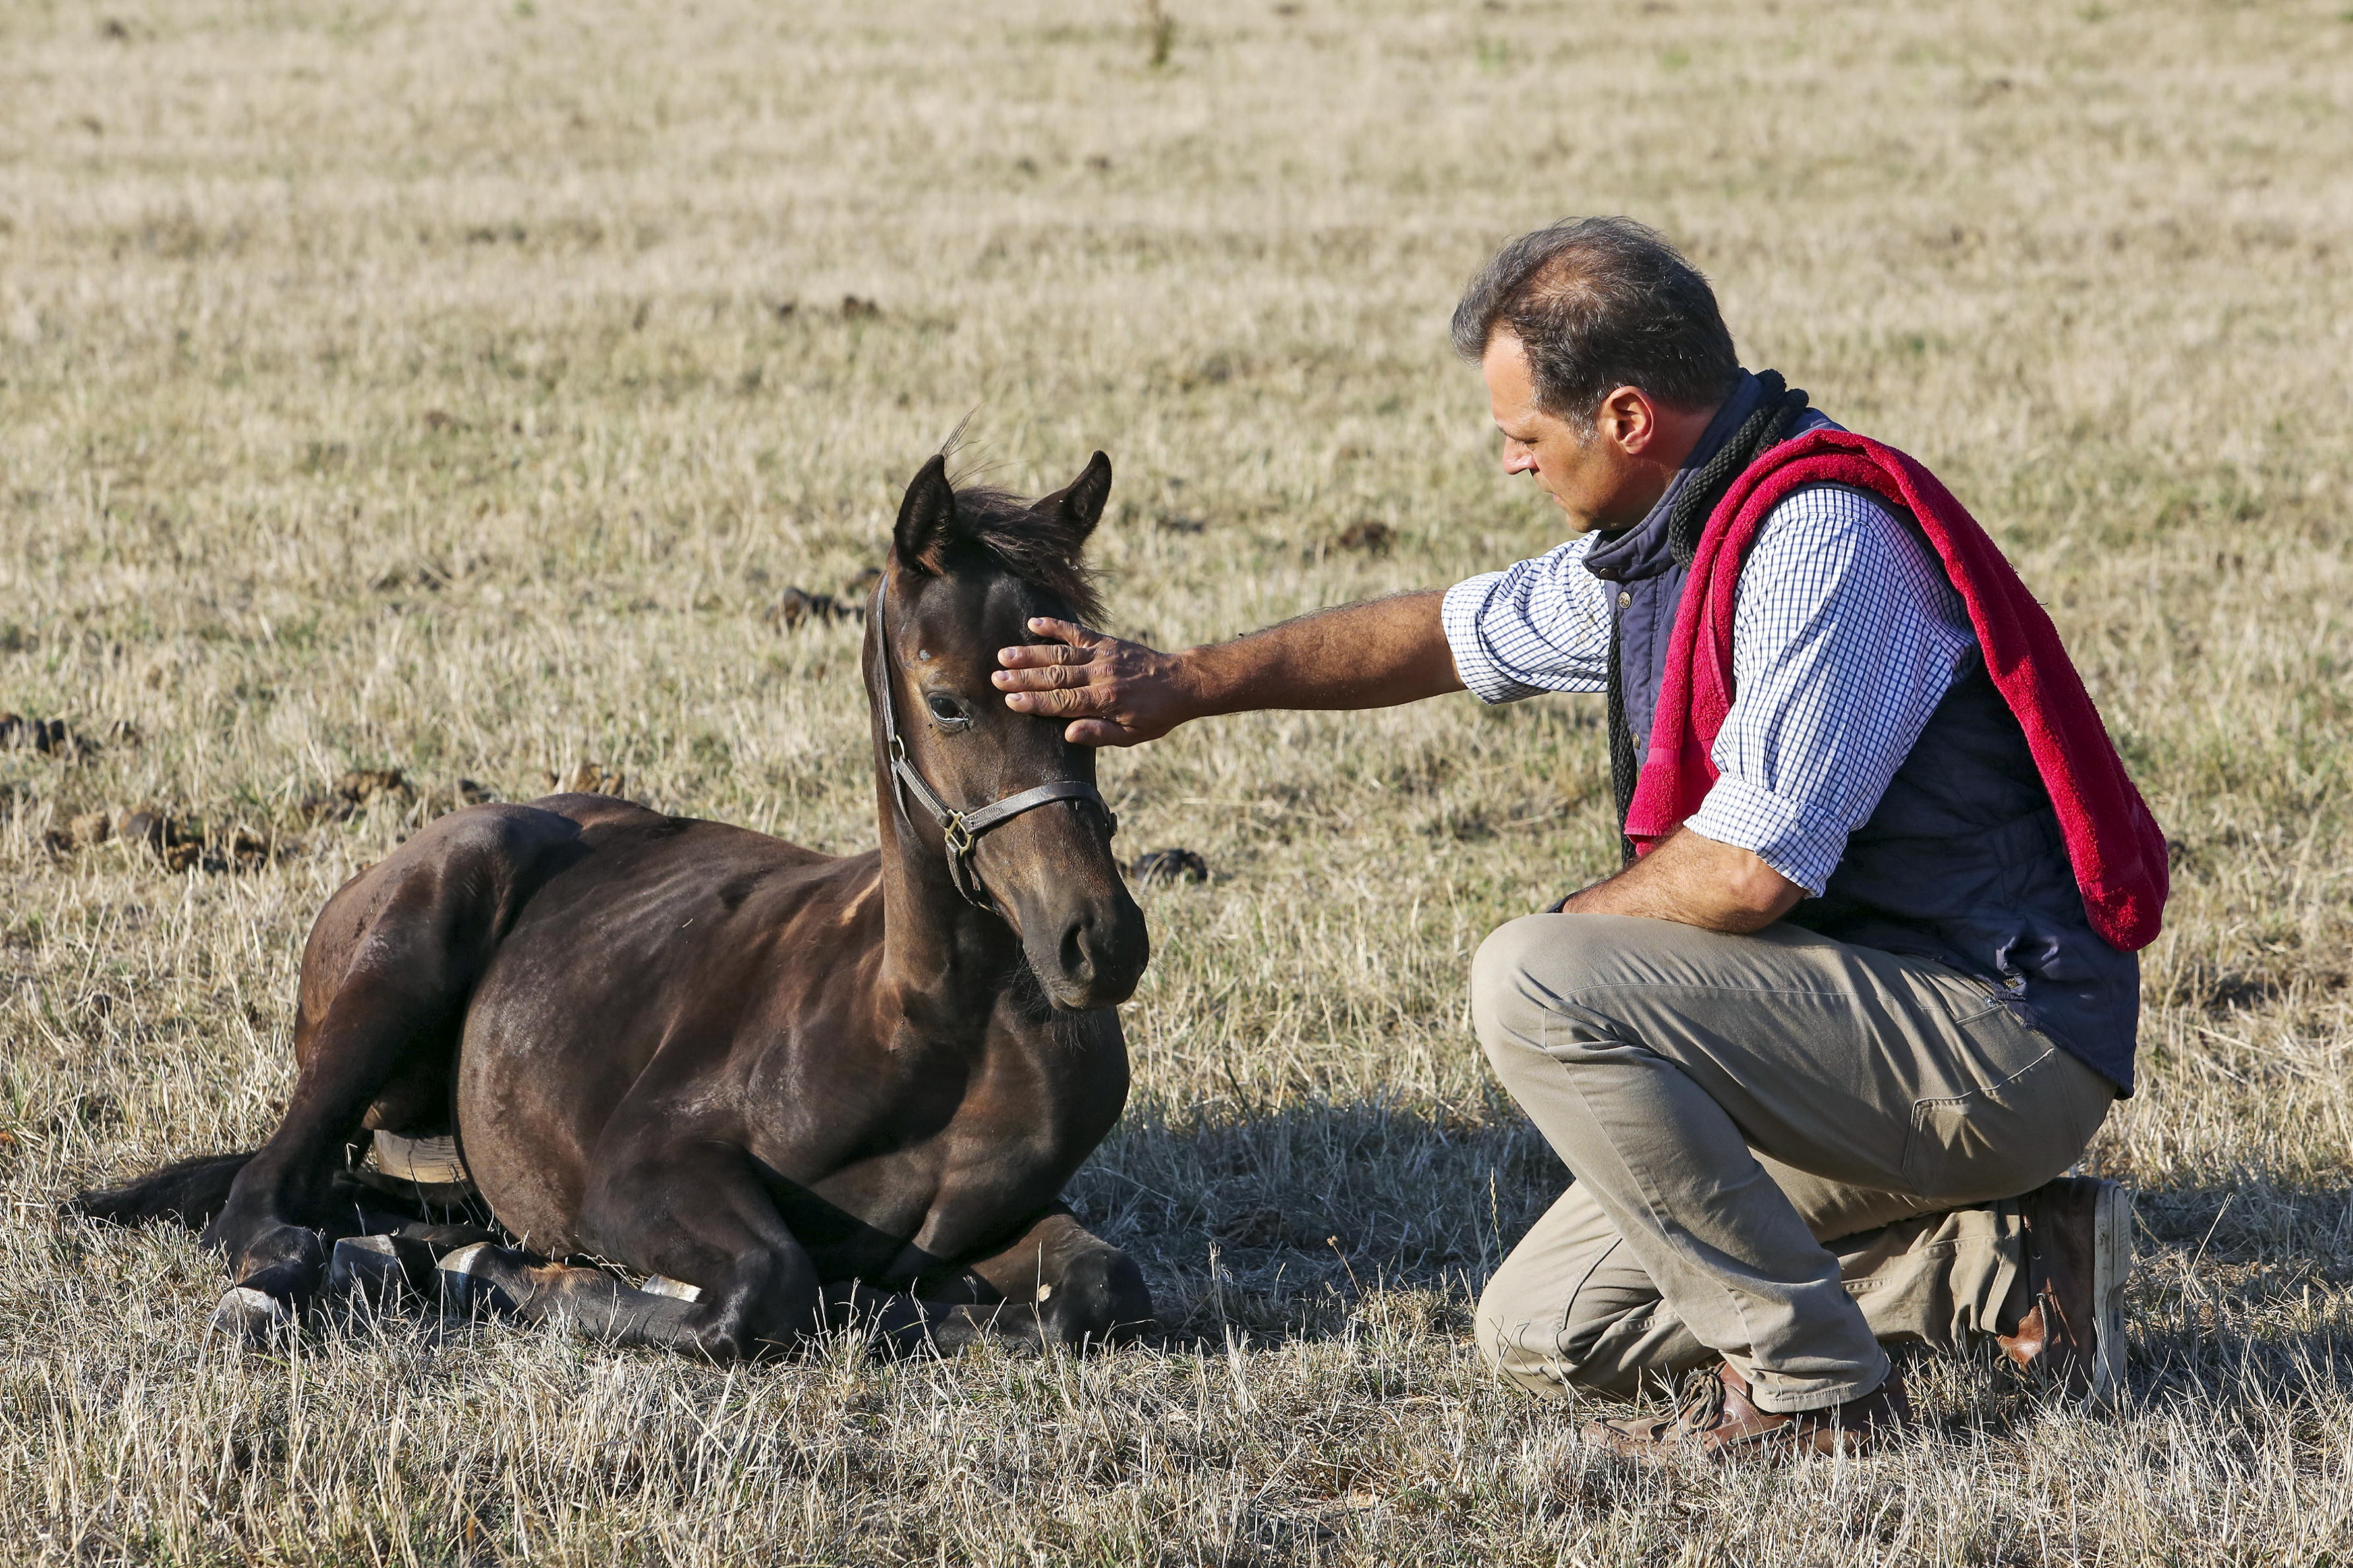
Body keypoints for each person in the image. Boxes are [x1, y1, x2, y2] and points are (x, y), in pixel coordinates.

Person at [992, 217, 2161, 1460]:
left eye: (1525, 436)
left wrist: (1571, 949)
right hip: (1855, 1034)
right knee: (1546, 1328)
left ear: (1627, 420)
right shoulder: (1671, 537)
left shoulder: (1822, 541)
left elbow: (1751, 872)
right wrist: (1186, 681)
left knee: (1539, 980)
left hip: (1993, 1040)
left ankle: (1818, 1390)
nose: (1511, 464)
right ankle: (2015, 1267)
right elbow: (1445, 635)